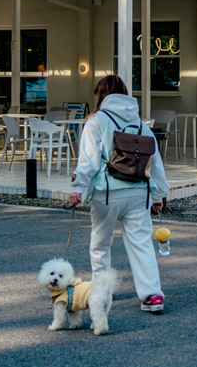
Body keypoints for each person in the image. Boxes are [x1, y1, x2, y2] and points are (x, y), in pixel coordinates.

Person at [70, 74, 170, 314]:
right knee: (141, 245)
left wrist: (79, 187)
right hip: (139, 192)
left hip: (107, 193)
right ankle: (152, 295)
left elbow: (89, 160)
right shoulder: (141, 124)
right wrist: (158, 195)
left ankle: (102, 294)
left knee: (100, 245)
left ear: (101, 95)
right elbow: (155, 162)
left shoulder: (96, 120)